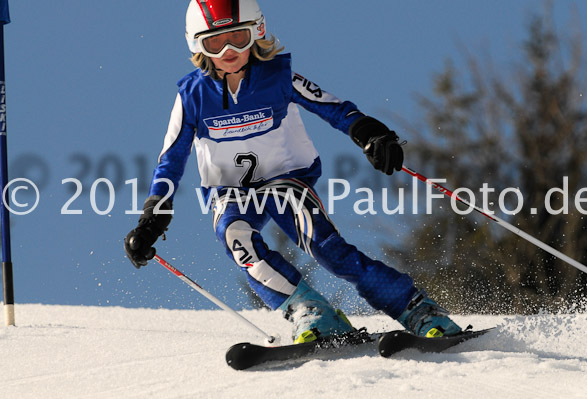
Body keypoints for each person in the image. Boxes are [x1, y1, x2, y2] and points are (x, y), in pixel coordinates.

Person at [124, 0, 462, 343]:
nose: (228, 50)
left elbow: (332, 107)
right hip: (230, 189)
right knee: (234, 236)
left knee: (329, 250)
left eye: (238, 38)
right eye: (215, 42)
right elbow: (171, 160)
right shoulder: (193, 96)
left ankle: (417, 309)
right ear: (197, 45)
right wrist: (153, 216)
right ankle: (310, 310)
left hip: (285, 179)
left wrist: (369, 132)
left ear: (257, 32)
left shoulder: (276, 77)